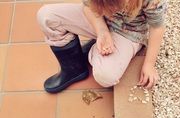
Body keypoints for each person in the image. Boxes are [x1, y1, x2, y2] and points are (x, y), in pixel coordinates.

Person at [37, 0, 167, 93]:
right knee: (46, 16)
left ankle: (93, 50)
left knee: (106, 77)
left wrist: (149, 64)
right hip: (99, 17)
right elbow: (88, 6)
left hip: (129, 33)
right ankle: (74, 70)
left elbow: (157, 28)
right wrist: (102, 31)